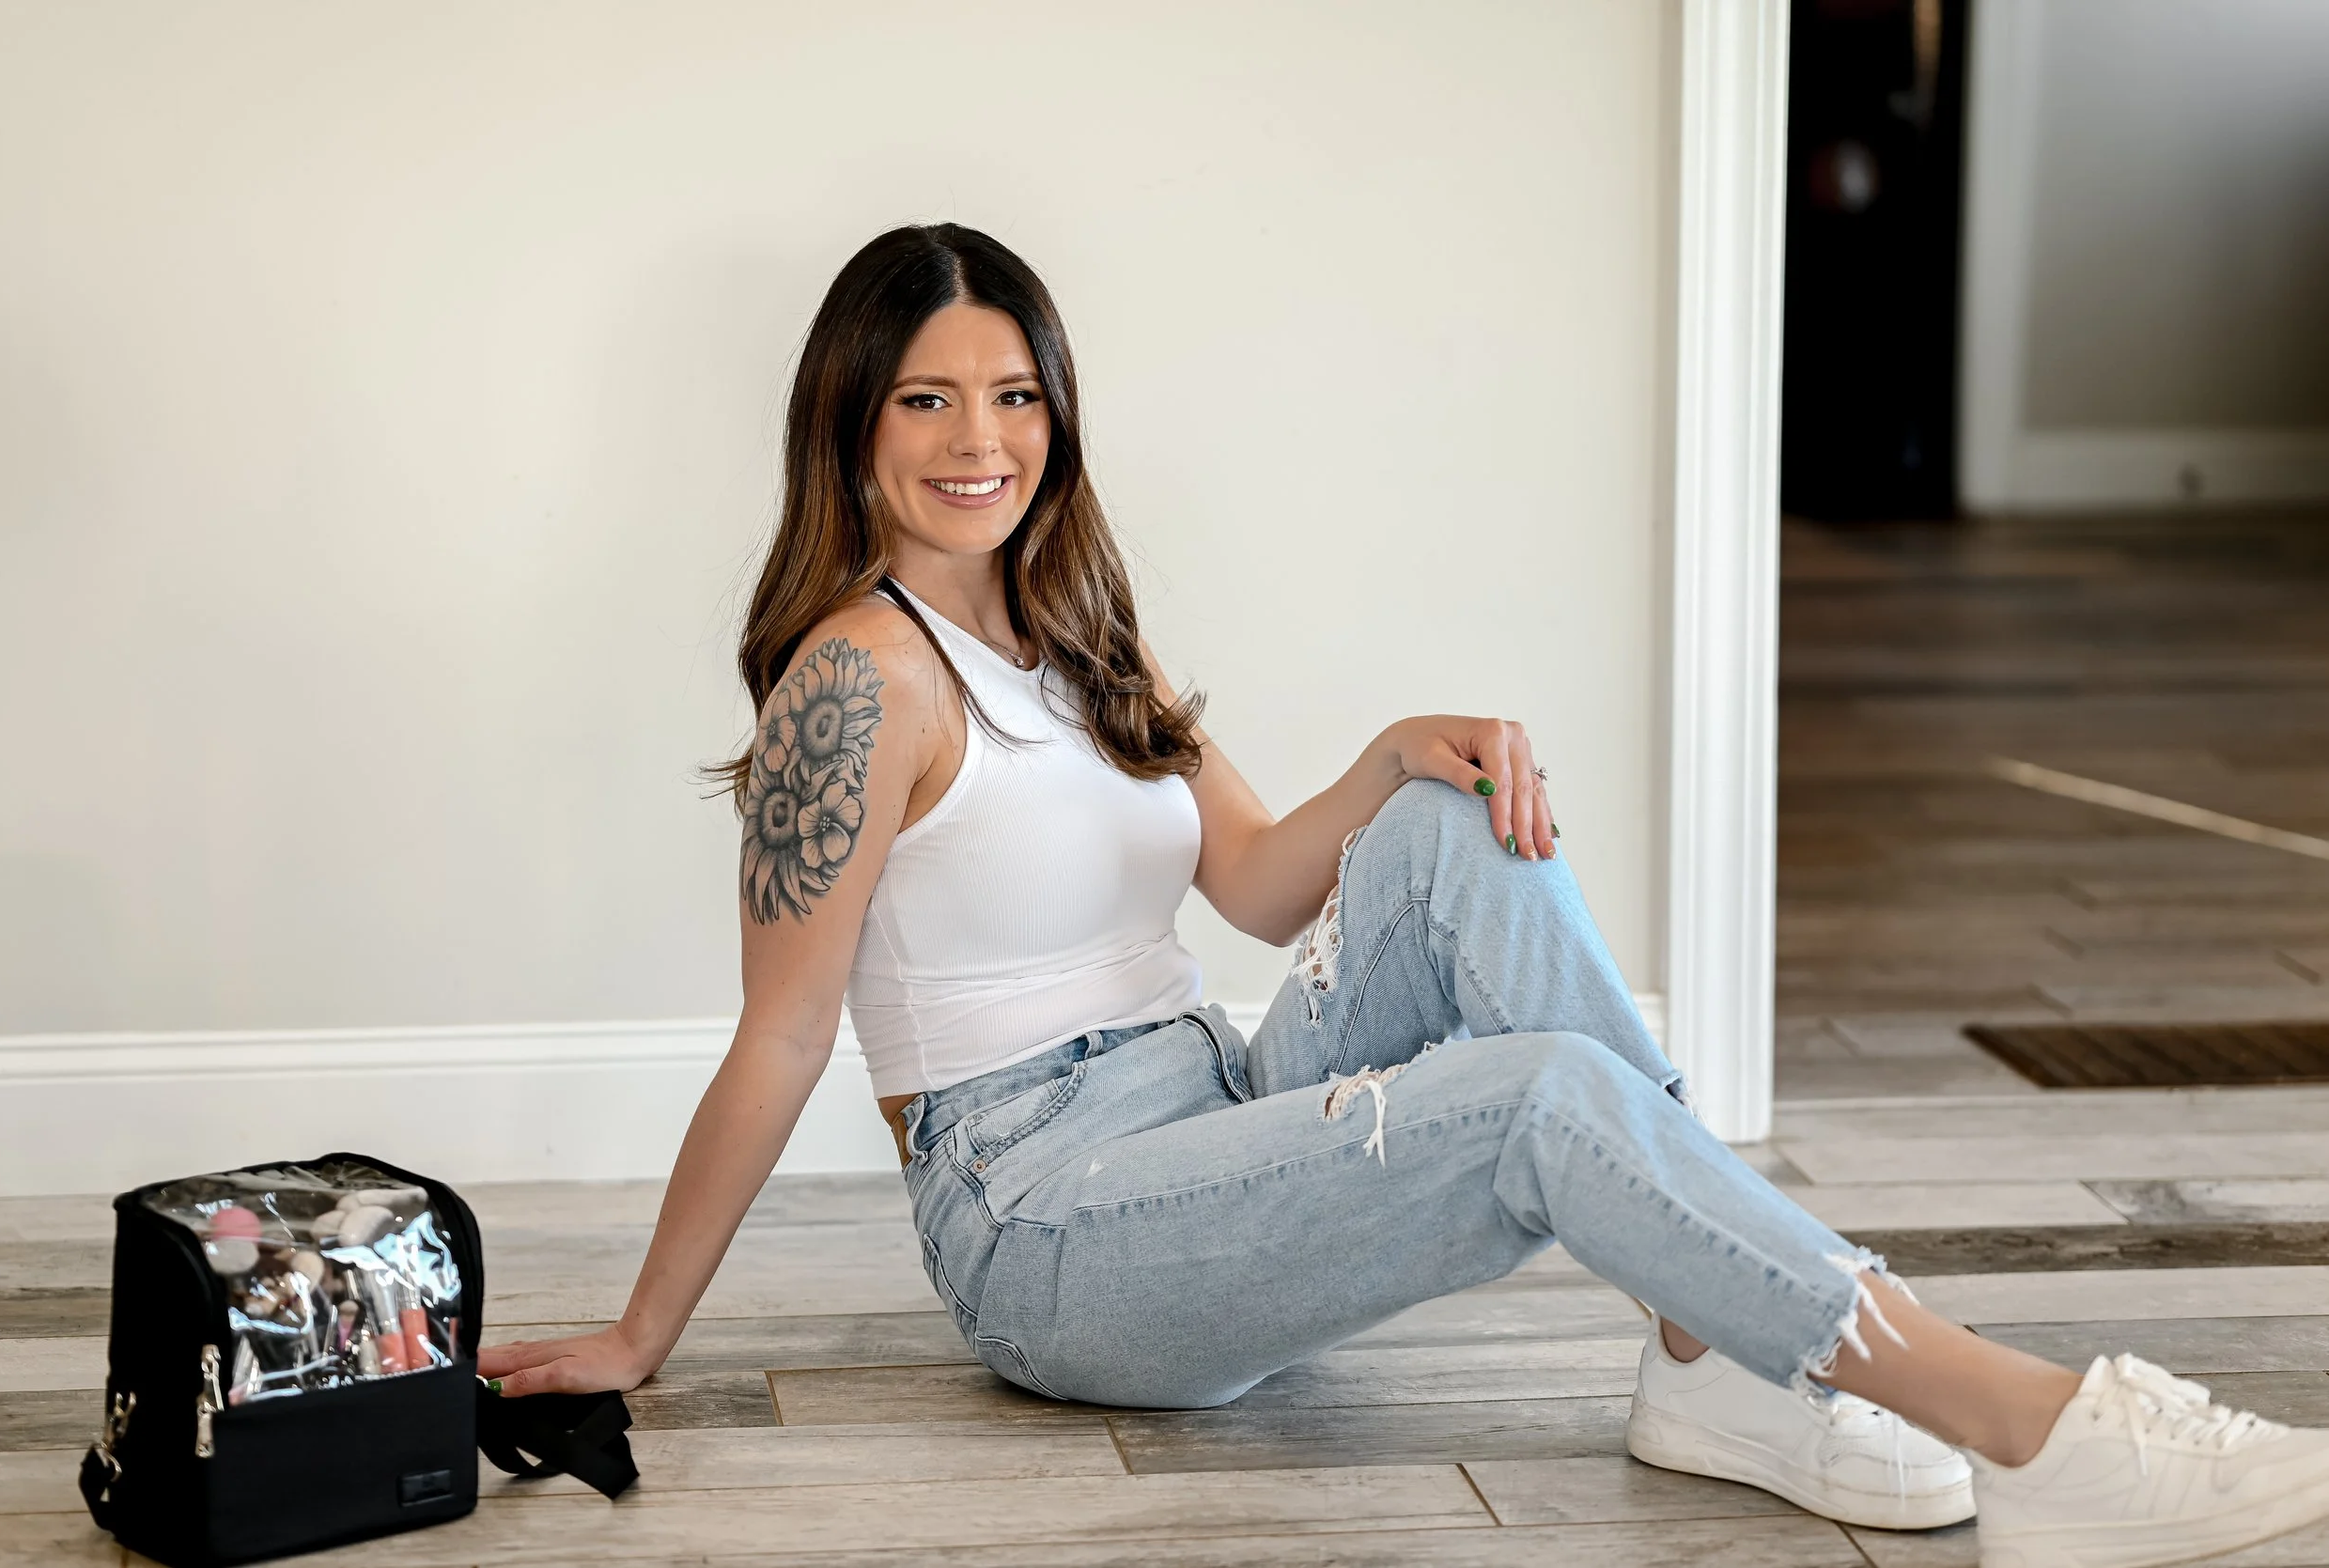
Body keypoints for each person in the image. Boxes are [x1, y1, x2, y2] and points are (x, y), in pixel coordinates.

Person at [483, 225, 2329, 1567]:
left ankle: (1712, 1361)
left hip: (1197, 1110)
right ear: (854, 424)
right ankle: (2030, 1427)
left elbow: (1275, 894)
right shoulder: (852, 683)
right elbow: (784, 1030)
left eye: (1016, 391)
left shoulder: (1067, 629)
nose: (982, 438)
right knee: (1543, 1101)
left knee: (1451, 831)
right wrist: (644, 1336)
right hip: (1045, 1228)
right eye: (928, 398)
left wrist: (1387, 760)